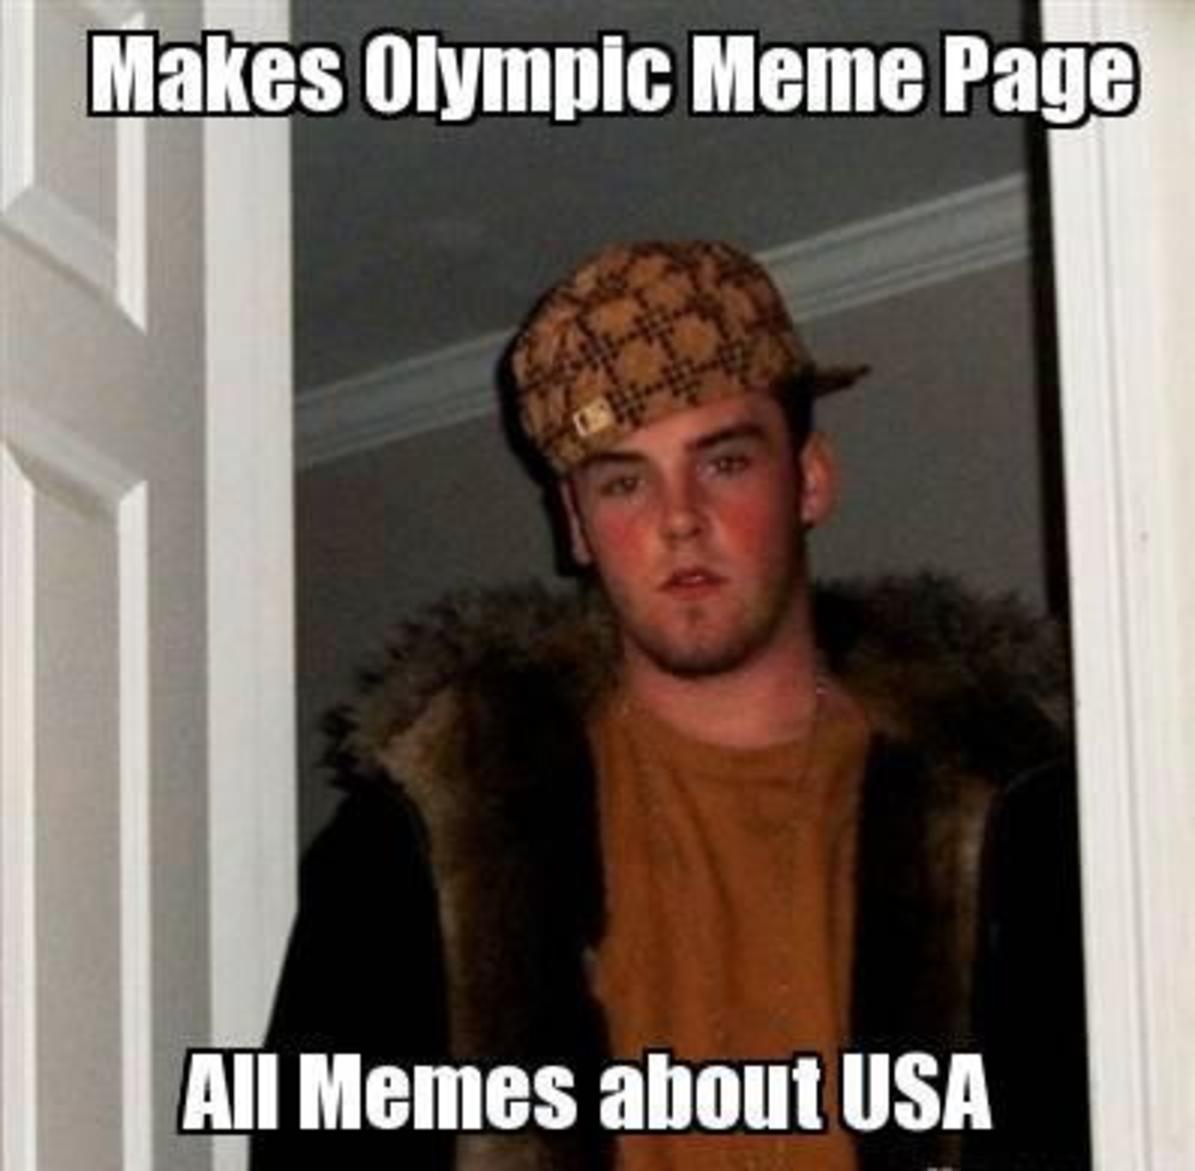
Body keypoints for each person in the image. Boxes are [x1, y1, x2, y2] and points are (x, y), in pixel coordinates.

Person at [253, 241, 1089, 1170]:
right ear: (576, 524)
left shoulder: (1019, 813)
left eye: (722, 461)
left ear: (809, 477)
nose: (677, 517)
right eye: (623, 481)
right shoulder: (428, 834)